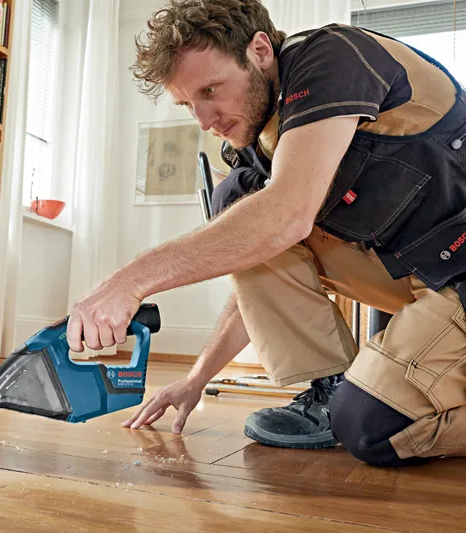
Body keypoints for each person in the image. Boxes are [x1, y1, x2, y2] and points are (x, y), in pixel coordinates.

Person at [65, 0, 466, 466]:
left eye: (211, 89)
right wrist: (195, 379)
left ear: (259, 50)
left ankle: (354, 407)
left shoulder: (332, 55)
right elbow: (258, 272)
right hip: (421, 278)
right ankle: (329, 387)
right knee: (236, 205)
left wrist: (128, 281)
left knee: (369, 427)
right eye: (187, 104)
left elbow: (287, 215)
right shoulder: (264, 146)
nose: (203, 120)